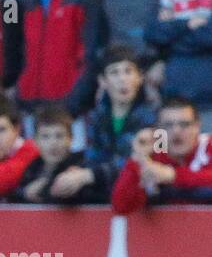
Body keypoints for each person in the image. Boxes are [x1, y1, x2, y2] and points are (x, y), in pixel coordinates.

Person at [110, 95, 212, 212]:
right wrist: (137, 158)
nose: (176, 131)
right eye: (168, 125)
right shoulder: (155, 153)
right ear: (157, 130)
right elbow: (120, 205)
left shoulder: (208, 145)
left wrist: (173, 175)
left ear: (197, 127)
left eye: (184, 124)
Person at [81, 43, 157, 188]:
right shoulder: (94, 117)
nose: (122, 79)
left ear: (140, 77)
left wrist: (93, 174)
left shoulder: (159, 118)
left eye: (128, 71)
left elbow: (161, 159)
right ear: (102, 81)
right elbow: (92, 158)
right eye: (114, 72)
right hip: (102, 190)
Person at [144, 0, 212, 128]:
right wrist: (186, 24)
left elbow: (209, 37)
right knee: (160, 149)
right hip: (171, 103)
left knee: (205, 151)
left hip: (208, 105)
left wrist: (173, 34)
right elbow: (152, 33)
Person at [18, 103, 107, 202]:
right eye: (45, 137)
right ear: (35, 140)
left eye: (59, 136)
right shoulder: (32, 167)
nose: (53, 143)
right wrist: (24, 193)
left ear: (71, 138)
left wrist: (43, 188)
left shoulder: (81, 163)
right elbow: (17, 192)